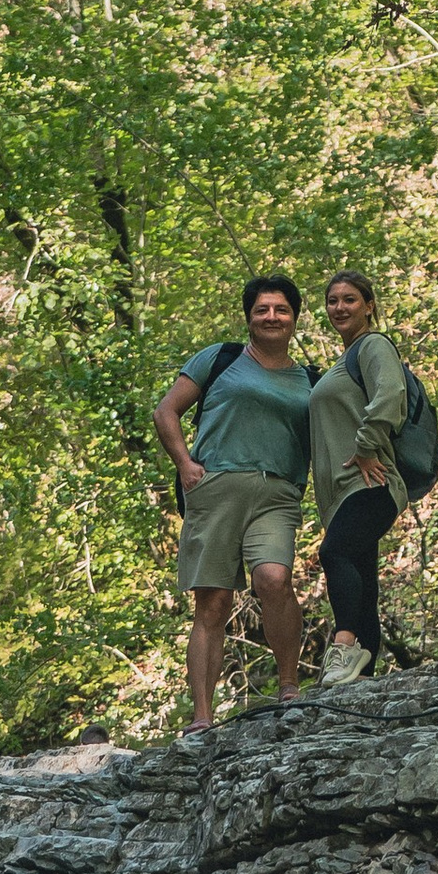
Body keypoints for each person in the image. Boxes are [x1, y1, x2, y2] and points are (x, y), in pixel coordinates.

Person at [153, 276, 316, 728]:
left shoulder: (310, 380)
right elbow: (166, 411)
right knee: (213, 602)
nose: (271, 317)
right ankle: (202, 716)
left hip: (278, 493)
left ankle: (289, 688)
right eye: (262, 309)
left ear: (295, 318)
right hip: (216, 489)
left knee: (274, 579)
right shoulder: (221, 359)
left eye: (281, 309)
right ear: (249, 317)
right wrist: (185, 465)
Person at [307, 268, 411, 683]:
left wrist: (366, 446)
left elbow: (391, 394)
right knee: (362, 574)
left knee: (335, 553)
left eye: (349, 299)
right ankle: (364, 676)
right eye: (332, 301)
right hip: (345, 490)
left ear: (369, 306)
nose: (339, 308)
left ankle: (345, 646)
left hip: (370, 482)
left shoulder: (373, 345)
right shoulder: (342, 362)